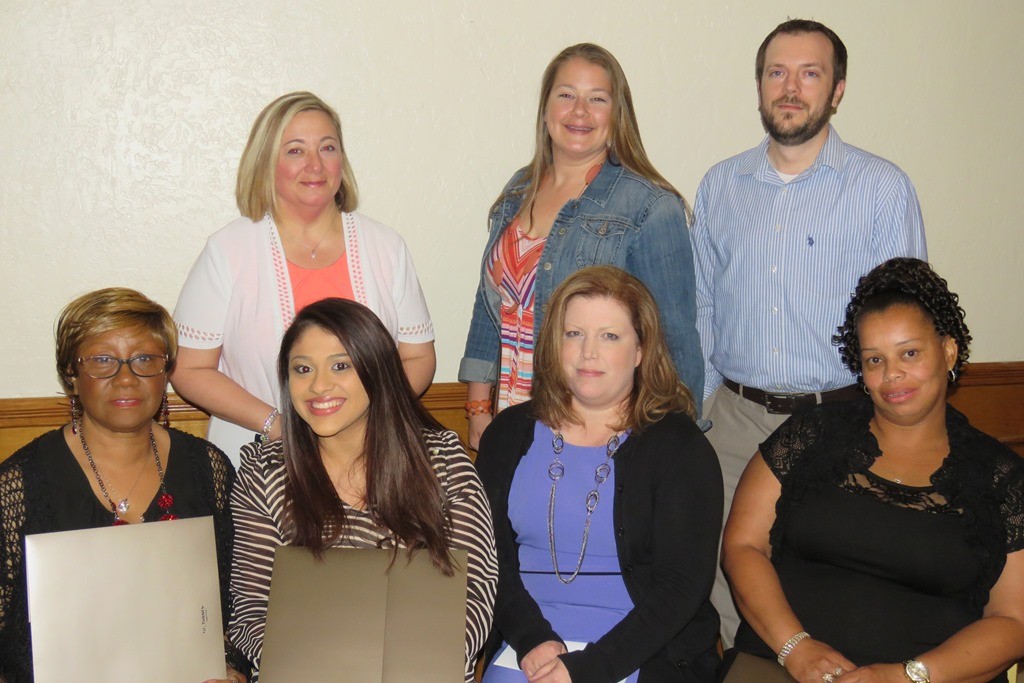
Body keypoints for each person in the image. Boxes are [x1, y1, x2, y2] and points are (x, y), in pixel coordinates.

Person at [689, 19, 928, 645]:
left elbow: (910, 324)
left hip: (844, 423)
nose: (790, 88)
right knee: (728, 585)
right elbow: (702, 308)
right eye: (777, 72)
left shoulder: (882, 189)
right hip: (735, 423)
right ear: (760, 86)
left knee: (834, 586)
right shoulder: (720, 187)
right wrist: (708, 411)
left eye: (810, 73)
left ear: (838, 89)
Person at [721, 258, 1024, 683]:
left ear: (949, 351)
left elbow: (1014, 620)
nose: (892, 374)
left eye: (910, 353)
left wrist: (908, 676)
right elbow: (743, 546)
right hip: (782, 666)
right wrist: (796, 648)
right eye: (874, 360)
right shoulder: (810, 434)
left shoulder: (1000, 477)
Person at [227, 298, 497, 682]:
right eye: (302, 369)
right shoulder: (264, 471)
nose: (319, 385)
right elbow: (253, 611)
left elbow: (473, 594)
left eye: (341, 365)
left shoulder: (441, 462)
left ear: (376, 369)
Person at [476, 266, 722, 683]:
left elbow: (681, 588)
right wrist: (532, 638)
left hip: (640, 648)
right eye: (574, 334)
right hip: (529, 644)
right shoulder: (508, 434)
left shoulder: (680, 448)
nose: (589, 352)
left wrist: (591, 669)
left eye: (610, 336)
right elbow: (486, 558)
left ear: (641, 350)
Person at [461, 43, 703, 450]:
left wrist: (667, 446)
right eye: (566, 95)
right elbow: (489, 311)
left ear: (617, 114)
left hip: (600, 436)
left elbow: (675, 344)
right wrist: (478, 407)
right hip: (512, 423)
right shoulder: (519, 190)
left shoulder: (651, 207)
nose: (579, 111)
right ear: (545, 108)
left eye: (597, 99)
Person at [0, 288, 248, 682]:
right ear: (71, 374)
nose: (127, 379)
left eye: (145, 360)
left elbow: (233, 602)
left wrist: (230, 667)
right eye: (102, 361)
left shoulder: (208, 468)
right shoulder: (20, 485)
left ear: (166, 370)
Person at [173, 91, 435, 461]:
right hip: (258, 459)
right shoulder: (228, 250)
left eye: (327, 148)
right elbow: (190, 368)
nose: (315, 165)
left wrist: (371, 421)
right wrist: (278, 426)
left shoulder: (386, 246)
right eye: (295, 150)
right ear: (266, 162)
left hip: (372, 459)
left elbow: (418, 357)